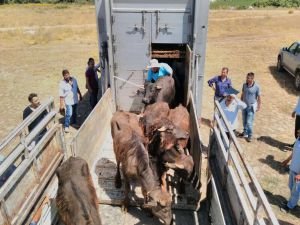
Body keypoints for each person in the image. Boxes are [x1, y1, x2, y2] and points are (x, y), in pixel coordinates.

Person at [280, 129, 300, 213]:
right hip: (293, 168)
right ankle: (291, 201)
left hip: (298, 173)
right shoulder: (298, 139)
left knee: (296, 190)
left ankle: (290, 206)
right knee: (291, 186)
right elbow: (294, 151)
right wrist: (287, 160)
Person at [239, 72, 261, 142]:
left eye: (249, 78)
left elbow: (259, 97)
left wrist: (259, 106)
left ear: (252, 78)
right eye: (247, 78)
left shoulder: (257, 87)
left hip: (251, 107)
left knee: (249, 122)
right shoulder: (244, 85)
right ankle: (245, 132)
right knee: (244, 121)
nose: (248, 79)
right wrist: (240, 102)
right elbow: (243, 94)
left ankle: (250, 135)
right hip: (244, 106)